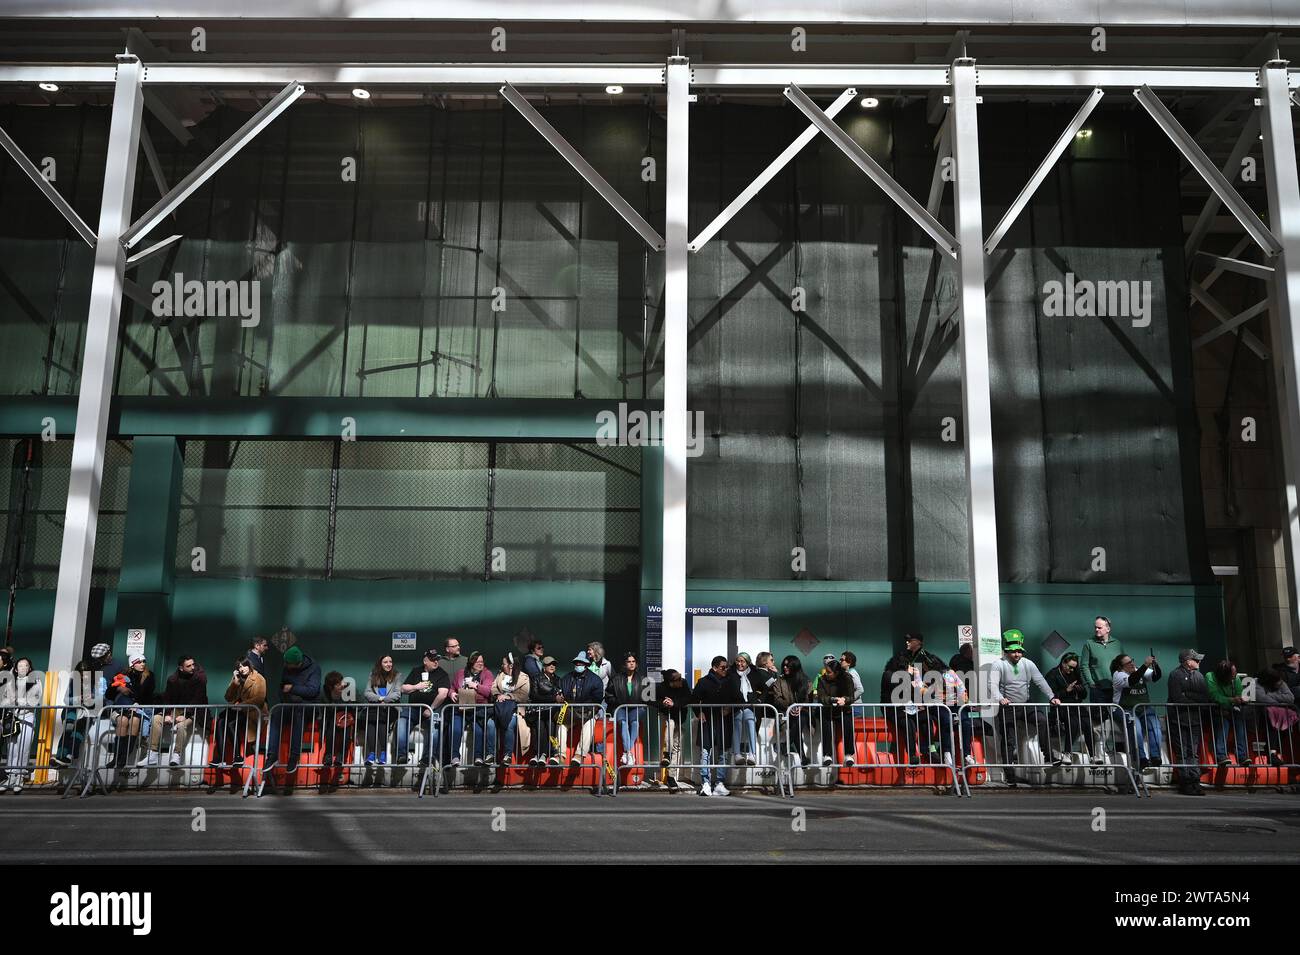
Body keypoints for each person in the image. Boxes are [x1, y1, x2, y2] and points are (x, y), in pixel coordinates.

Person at [987, 631, 1061, 775]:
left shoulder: (1028, 663)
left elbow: (1040, 681)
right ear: (1006, 651)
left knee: (1042, 720)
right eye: (1013, 651)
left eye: (1019, 651)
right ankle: (1009, 774)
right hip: (1008, 707)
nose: (1017, 654)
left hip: (1026, 704)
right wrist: (1000, 698)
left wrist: (1051, 696)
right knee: (1008, 740)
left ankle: (1048, 755)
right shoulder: (998, 664)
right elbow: (992, 685)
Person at [882, 633, 945, 765]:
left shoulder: (915, 670)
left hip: (909, 706)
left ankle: (931, 748)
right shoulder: (889, 675)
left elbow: (918, 689)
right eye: (909, 666)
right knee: (907, 722)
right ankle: (911, 754)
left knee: (926, 718)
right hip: (894, 708)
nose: (912, 668)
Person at [138, 655, 207, 768]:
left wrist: (186, 715)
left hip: (193, 711)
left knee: (181, 726)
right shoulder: (172, 679)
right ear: (181, 668)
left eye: (193, 664)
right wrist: (167, 713)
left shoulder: (200, 678)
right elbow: (167, 698)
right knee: (156, 719)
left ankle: (176, 755)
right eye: (188, 666)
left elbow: (198, 699)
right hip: (176, 710)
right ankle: (153, 754)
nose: (192, 667)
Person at [265, 645, 321, 773]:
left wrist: (292, 689)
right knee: (276, 713)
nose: (286, 666)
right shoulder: (287, 668)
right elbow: (282, 687)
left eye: (289, 664)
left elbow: (313, 691)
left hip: (307, 707)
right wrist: (285, 694)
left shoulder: (314, 668)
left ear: (298, 663)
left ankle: (294, 756)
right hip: (289, 703)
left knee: (298, 713)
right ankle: (272, 756)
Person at [1166, 648, 1209, 795]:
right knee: (1183, 752)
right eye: (1196, 659)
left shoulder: (1199, 676)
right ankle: (1186, 783)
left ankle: (1195, 781)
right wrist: (1194, 698)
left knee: (1193, 752)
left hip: (1194, 720)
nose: (1199, 661)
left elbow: (1205, 697)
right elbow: (1177, 698)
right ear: (1187, 661)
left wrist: (1189, 694)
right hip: (1178, 720)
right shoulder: (1175, 675)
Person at [398, 650, 451, 768]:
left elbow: (443, 694)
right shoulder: (416, 671)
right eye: (432, 660)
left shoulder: (442, 674)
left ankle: (427, 758)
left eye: (437, 659)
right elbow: (403, 688)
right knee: (402, 721)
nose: (435, 662)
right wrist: (417, 686)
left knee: (435, 727)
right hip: (414, 708)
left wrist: (431, 708)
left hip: (432, 709)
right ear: (425, 661)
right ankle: (402, 755)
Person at [1111, 652, 1163, 770]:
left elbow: (1155, 677)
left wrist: (1155, 666)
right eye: (1128, 663)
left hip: (1143, 707)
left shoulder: (1138, 669)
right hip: (1123, 708)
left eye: (1132, 660)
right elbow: (1131, 681)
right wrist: (1145, 665)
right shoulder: (1118, 675)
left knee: (1154, 726)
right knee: (1136, 728)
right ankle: (1141, 757)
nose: (1132, 663)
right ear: (1121, 666)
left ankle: (1155, 756)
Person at [214, 656, 266, 768]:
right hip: (238, 711)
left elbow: (259, 699)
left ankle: (237, 756)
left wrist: (241, 705)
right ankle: (220, 757)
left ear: (249, 666)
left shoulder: (259, 678)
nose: (242, 669)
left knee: (231, 724)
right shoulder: (237, 679)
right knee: (220, 722)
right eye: (239, 667)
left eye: (244, 666)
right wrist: (235, 682)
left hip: (253, 712)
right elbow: (228, 698)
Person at [108, 654, 156, 771]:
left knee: (135, 720)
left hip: (138, 708)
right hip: (120, 708)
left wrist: (131, 693)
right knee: (123, 720)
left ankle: (124, 757)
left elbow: (144, 695)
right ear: (132, 664)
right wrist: (118, 688)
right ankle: (116, 757)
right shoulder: (122, 676)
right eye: (139, 662)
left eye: (144, 661)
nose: (143, 664)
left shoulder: (149, 676)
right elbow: (108, 694)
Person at [692, 656, 731, 795]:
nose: (725, 669)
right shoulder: (703, 682)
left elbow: (735, 697)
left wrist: (729, 708)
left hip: (724, 720)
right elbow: (694, 698)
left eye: (726, 667)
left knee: (724, 752)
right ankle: (705, 783)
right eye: (722, 667)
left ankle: (720, 783)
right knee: (705, 752)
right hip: (707, 720)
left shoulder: (729, 681)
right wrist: (699, 712)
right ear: (714, 668)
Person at [557, 652, 603, 766]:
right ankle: (560, 755)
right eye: (577, 662)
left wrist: (588, 713)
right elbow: (560, 692)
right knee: (560, 724)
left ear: (586, 664)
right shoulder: (566, 678)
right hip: (570, 712)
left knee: (590, 723)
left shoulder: (595, 680)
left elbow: (597, 699)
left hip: (587, 712)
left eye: (581, 663)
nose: (578, 664)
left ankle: (579, 755)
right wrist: (559, 697)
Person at [1045, 652, 1093, 761]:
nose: (1071, 670)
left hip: (1076, 705)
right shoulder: (1052, 674)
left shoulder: (1075, 673)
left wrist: (1081, 690)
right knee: (1073, 723)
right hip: (1061, 706)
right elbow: (1051, 695)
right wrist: (1067, 690)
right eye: (1070, 667)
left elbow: (1084, 695)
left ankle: (1093, 755)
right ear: (1063, 663)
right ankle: (1067, 753)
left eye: (1074, 668)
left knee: (1088, 723)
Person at [452, 651, 496, 766]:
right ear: (472, 662)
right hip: (462, 708)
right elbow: (452, 688)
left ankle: (478, 757)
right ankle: (455, 757)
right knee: (456, 729)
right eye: (478, 661)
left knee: (478, 730)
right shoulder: (461, 673)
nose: (481, 664)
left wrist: (476, 686)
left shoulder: (487, 674)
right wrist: (451, 694)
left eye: (482, 661)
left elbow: (488, 691)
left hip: (478, 709)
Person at [1, 658, 38, 793]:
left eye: (26, 665)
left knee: (24, 747)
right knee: (12, 748)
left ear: (29, 668)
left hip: (27, 717)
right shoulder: (10, 682)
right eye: (20, 666)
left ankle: (20, 777)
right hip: (12, 719)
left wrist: (18, 700)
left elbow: (34, 700)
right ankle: (10, 776)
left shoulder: (36, 681)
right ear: (16, 669)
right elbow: (3, 700)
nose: (23, 668)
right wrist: (10, 701)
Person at [1251, 666, 1297, 767]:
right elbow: (1262, 699)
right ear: (1268, 681)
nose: (1278, 684)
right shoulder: (1255, 683)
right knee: (1272, 719)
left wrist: (1272, 696)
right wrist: (1280, 701)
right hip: (1260, 717)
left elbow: (1290, 698)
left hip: (1281, 716)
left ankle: (1277, 751)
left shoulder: (1279, 681)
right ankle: (1272, 753)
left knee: (1288, 720)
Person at [815, 656, 856, 768]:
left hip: (843, 709)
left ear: (837, 672)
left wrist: (845, 700)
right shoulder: (822, 680)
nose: (827, 674)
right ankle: (827, 755)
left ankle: (849, 755)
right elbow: (821, 697)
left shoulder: (847, 678)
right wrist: (832, 700)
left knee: (848, 725)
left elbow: (851, 696)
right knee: (826, 726)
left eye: (829, 672)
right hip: (829, 709)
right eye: (826, 671)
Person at [361, 655, 402, 766]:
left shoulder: (397, 675)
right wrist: (380, 699)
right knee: (370, 719)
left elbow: (397, 694)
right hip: (376, 707)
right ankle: (372, 754)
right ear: (380, 664)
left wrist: (385, 701)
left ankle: (383, 754)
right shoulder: (373, 675)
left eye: (390, 661)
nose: (389, 664)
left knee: (382, 717)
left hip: (391, 708)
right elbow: (367, 693)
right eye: (385, 662)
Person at [724, 652, 764, 765]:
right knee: (737, 727)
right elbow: (727, 691)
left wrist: (759, 700)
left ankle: (752, 754)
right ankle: (737, 754)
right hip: (736, 707)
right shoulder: (730, 674)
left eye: (742, 661)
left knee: (751, 725)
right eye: (738, 661)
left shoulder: (755, 674)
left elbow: (765, 688)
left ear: (747, 662)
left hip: (750, 706)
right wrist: (728, 704)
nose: (740, 664)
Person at [491, 652, 530, 765]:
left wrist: (508, 696)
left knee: (509, 723)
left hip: (516, 710)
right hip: (500, 708)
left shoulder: (524, 677)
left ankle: (507, 755)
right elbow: (493, 688)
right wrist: (498, 695)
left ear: (511, 665)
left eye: (504, 664)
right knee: (490, 724)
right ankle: (490, 754)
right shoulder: (500, 675)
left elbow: (524, 695)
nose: (502, 666)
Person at [656, 668, 692, 790]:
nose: (680, 680)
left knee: (677, 746)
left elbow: (688, 698)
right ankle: (666, 754)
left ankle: (671, 776)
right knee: (670, 725)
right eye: (677, 679)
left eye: (680, 677)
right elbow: (651, 701)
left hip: (681, 717)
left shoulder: (684, 684)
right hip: (669, 717)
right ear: (670, 682)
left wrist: (674, 703)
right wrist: (663, 703)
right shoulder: (661, 687)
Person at [773, 656, 811, 768]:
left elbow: (808, 700)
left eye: (788, 665)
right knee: (796, 725)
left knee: (799, 721)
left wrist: (799, 707)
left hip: (802, 711)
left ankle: (786, 744)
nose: (785, 668)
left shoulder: (805, 680)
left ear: (795, 666)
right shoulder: (780, 681)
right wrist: (790, 707)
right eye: (784, 665)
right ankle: (802, 757)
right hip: (785, 711)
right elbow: (777, 699)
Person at [606, 651, 643, 766]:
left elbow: (649, 696)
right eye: (628, 662)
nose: (631, 664)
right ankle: (629, 753)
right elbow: (608, 695)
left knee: (635, 723)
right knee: (623, 724)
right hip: (620, 707)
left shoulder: (642, 678)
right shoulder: (616, 678)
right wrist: (617, 701)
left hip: (636, 708)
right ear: (624, 664)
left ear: (636, 664)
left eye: (633, 661)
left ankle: (627, 752)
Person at [937, 654, 974, 767]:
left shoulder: (951, 673)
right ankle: (946, 753)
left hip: (956, 704)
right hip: (940, 705)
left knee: (967, 723)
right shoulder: (930, 676)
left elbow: (962, 689)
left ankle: (967, 754)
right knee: (947, 722)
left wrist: (965, 701)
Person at [1080, 616, 1124, 705]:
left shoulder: (1117, 643)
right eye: (1095, 627)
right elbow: (1084, 665)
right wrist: (1091, 683)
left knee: (1116, 715)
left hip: (1116, 688)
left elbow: (1123, 663)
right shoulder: (1089, 643)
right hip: (1097, 689)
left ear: (1108, 629)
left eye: (1099, 627)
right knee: (1098, 717)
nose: (1096, 629)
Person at [528, 656, 563, 765]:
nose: (552, 666)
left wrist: (557, 698)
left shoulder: (558, 679)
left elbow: (560, 695)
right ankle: (537, 754)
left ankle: (546, 754)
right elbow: (534, 696)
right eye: (549, 664)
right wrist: (553, 698)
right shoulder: (536, 678)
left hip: (552, 712)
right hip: (538, 712)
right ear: (544, 667)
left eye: (554, 664)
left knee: (551, 726)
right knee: (539, 726)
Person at [320, 671, 355, 769]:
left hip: (347, 718)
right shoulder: (325, 693)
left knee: (346, 735)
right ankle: (328, 757)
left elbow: (358, 703)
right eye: (338, 684)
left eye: (341, 682)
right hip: (332, 718)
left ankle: (340, 757)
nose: (341, 685)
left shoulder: (349, 689)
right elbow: (323, 709)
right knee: (330, 732)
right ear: (331, 687)